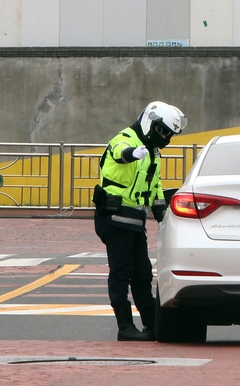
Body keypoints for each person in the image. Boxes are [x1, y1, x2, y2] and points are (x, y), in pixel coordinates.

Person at [94, 101, 186, 341]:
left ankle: (151, 323)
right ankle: (124, 326)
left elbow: (155, 188)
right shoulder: (125, 139)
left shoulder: (153, 153)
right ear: (149, 122)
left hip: (135, 221)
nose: (165, 137)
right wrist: (130, 154)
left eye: (169, 134)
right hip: (114, 218)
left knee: (143, 274)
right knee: (121, 272)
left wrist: (164, 217)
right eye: (162, 131)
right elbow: (118, 152)